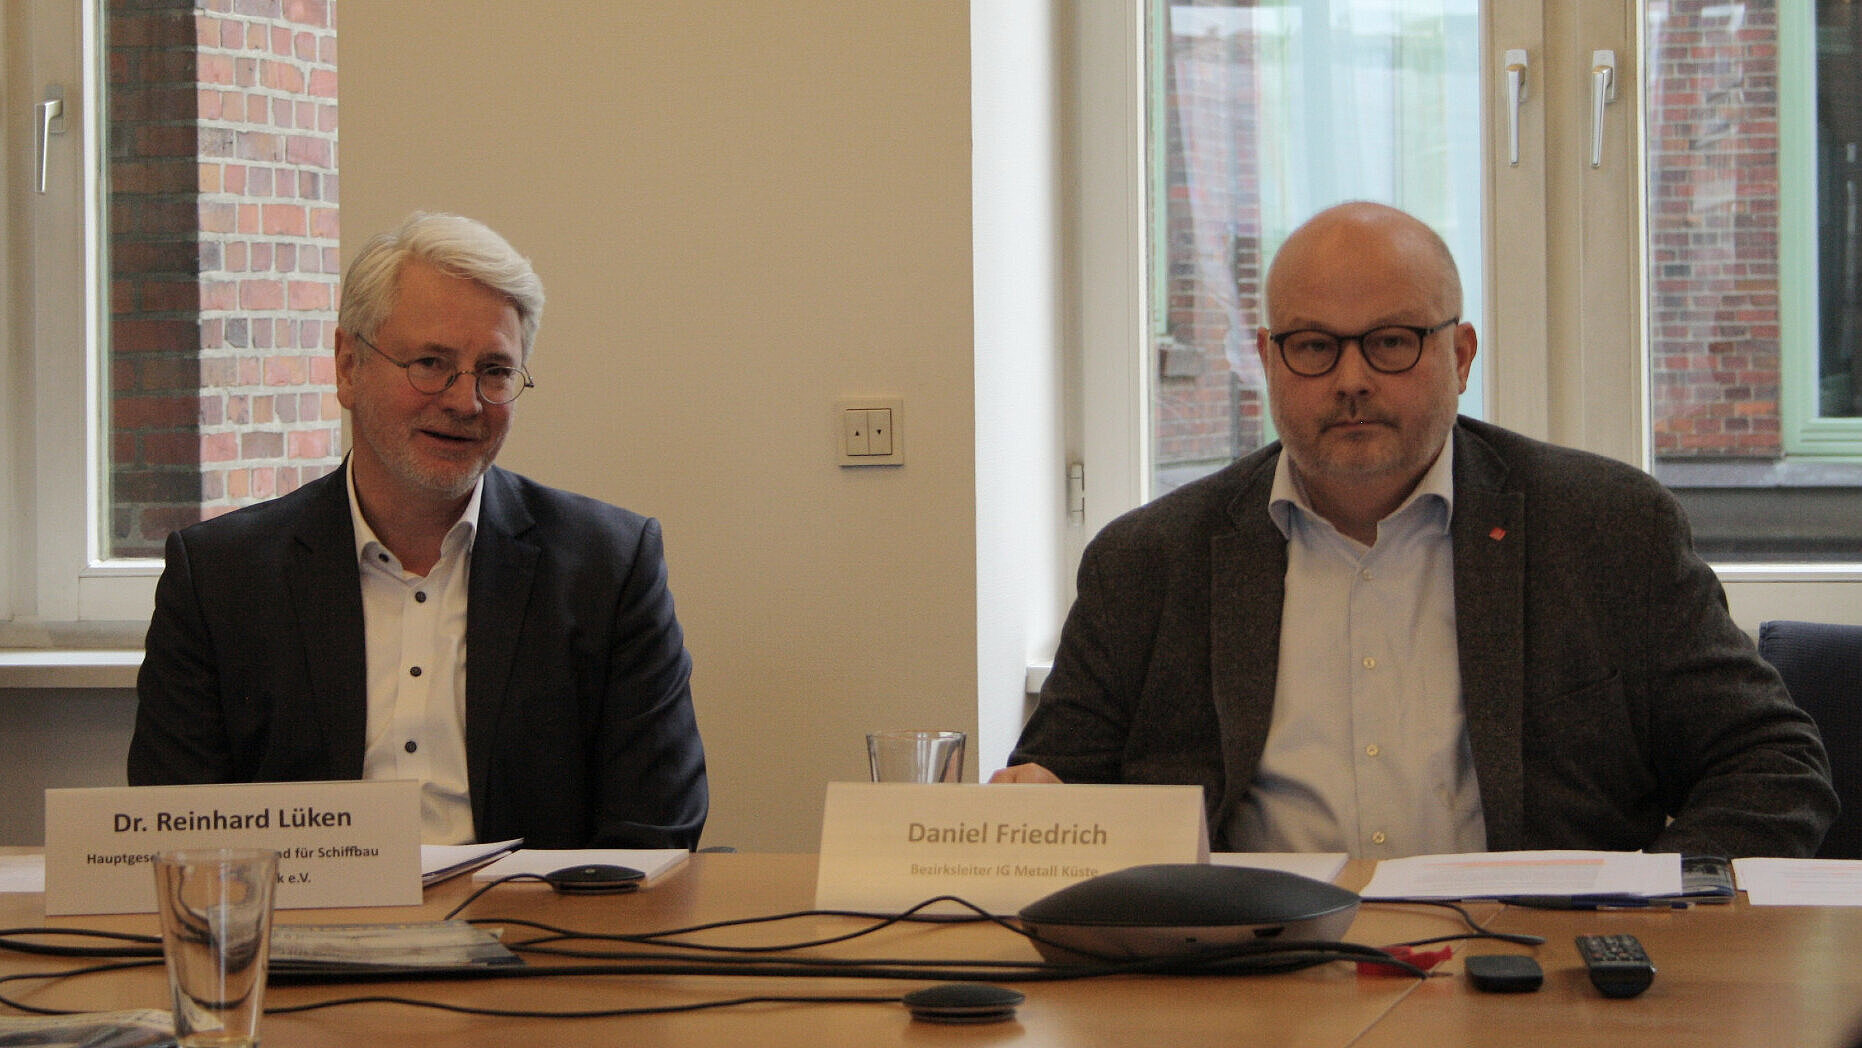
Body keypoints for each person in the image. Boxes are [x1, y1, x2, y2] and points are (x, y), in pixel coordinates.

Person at [993, 201, 1836, 860]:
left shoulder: (1607, 530)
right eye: (1314, 347)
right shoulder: (1147, 563)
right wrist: (1034, 813)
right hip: (1246, 973)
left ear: (1461, 356)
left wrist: (1649, 905)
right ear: (1269, 360)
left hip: (1529, 974)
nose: (1351, 380)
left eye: (1391, 343)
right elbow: (1055, 794)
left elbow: (1772, 768)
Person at [129, 211, 708, 850]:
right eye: (431, 363)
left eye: (495, 371)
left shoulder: (608, 568)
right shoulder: (219, 579)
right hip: (308, 913)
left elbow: (655, 831)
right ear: (348, 366)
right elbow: (173, 834)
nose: (465, 402)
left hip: (530, 914)